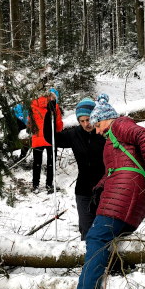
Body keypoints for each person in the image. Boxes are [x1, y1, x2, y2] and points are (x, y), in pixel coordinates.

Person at [59, 95, 145, 289]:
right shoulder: (112, 139)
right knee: (108, 240)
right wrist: (98, 190)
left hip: (126, 194)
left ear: (106, 119)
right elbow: (113, 171)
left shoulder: (121, 125)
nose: (97, 130)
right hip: (126, 194)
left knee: (96, 237)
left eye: (98, 124)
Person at [43, 96, 105, 240]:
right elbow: (50, 137)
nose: (86, 124)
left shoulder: (104, 133)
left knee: (105, 228)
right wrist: (49, 114)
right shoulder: (74, 134)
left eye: (88, 119)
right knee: (86, 229)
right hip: (83, 190)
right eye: (82, 121)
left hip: (105, 189)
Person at [29, 88, 63, 193]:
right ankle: (49, 185)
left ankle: (35, 185)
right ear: (53, 97)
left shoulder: (33, 105)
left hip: (37, 138)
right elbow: (58, 126)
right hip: (50, 138)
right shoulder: (55, 106)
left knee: (37, 162)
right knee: (51, 162)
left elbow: (30, 123)